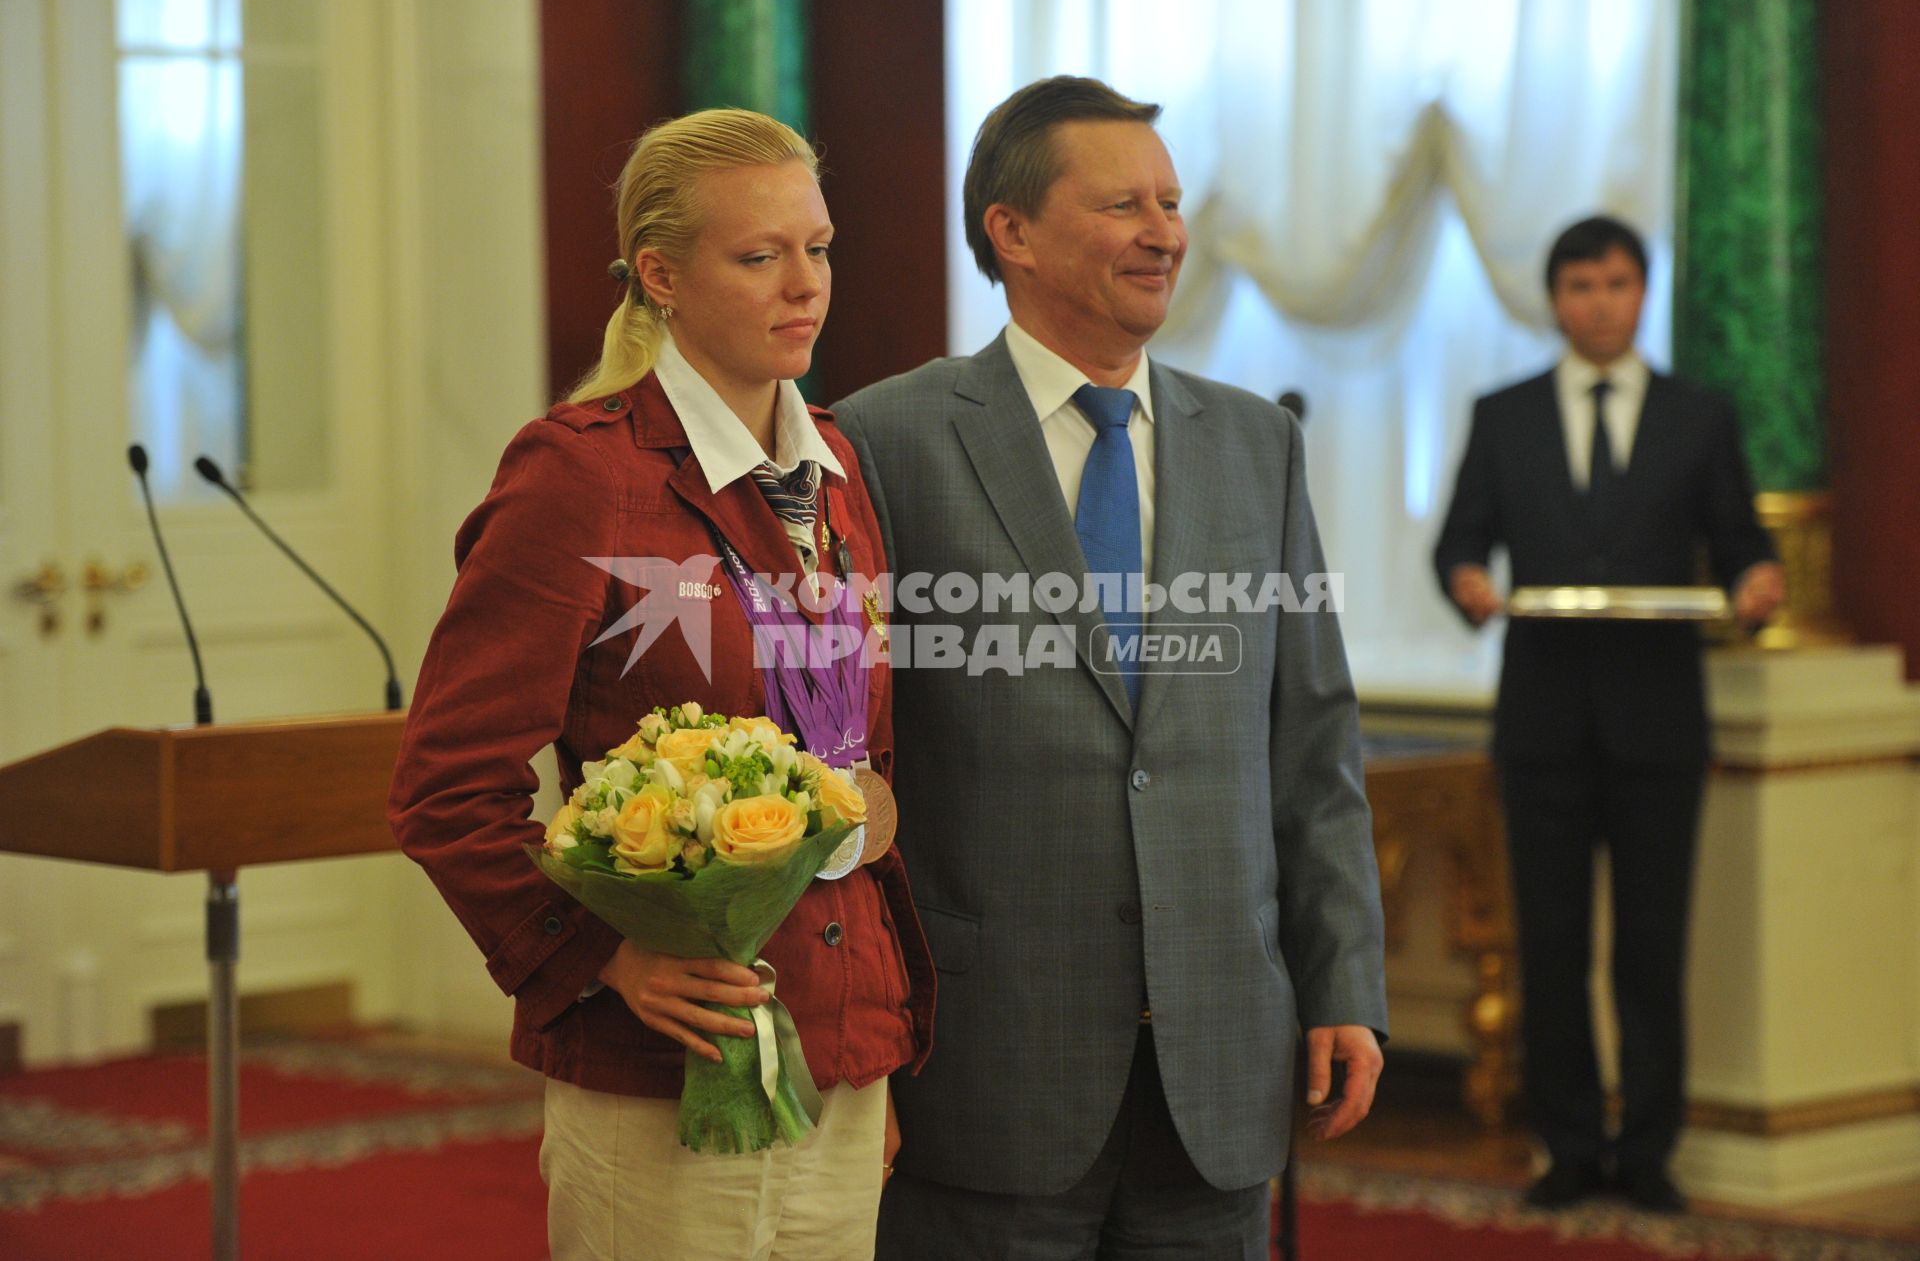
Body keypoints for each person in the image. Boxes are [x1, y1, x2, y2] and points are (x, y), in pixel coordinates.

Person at [835, 76, 1388, 1259]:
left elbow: (1313, 745)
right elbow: (848, 761)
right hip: (986, 1070)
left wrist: (1344, 980)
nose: (1164, 231)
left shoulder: (1258, 444)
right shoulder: (881, 440)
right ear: (1012, 231)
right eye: (1123, 203)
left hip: (1222, 1065)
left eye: (1173, 202)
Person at [388, 108, 934, 1261]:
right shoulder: (580, 475)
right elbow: (447, 785)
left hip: (842, 1041)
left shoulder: (835, 470)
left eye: (820, 248)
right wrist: (598, 958)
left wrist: (855, 1042)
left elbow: (856, 751)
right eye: (760, 255)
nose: (806, 285)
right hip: (660, 1060)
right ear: (662, 276)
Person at [1432, 215, 1785, 1213]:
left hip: (1660, 726)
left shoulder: (1699, 414)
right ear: (1555, 298)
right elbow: (1461, 541)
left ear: (1642, 293)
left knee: (1651, 945)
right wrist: (1462, 578)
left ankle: (1649, 1152)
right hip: (1542, 726)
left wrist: (1760, 579)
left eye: (1618, 282)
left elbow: (1744, 540)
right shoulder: (1502, 415)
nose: (1600, 300)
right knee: (1551, 945)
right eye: (1581, 284)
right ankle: (1570, 1145)